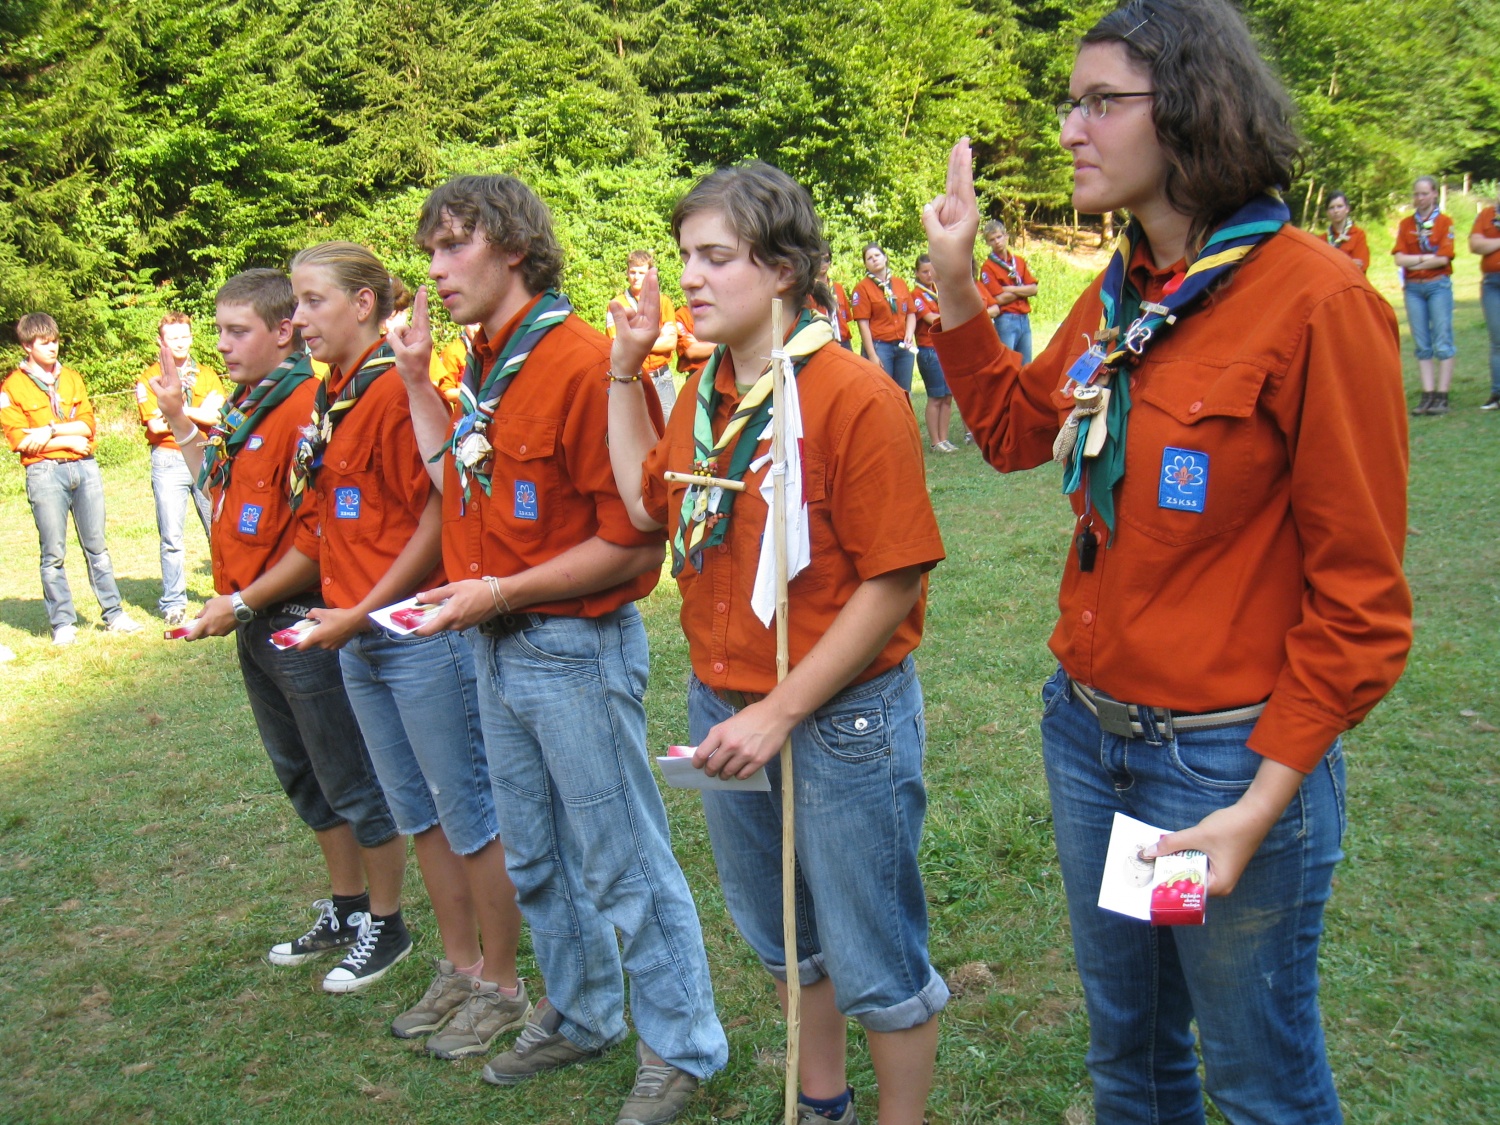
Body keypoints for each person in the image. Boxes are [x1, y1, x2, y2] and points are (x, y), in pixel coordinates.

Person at [922, 1, 1412, 1121]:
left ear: (1189, 109)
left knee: (1257, 1080)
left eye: (1102, 102)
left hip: (1218, 776)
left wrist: (1261, 800)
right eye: (1070, 102)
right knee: (1133, 1060)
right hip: (1097, 750)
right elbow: (1008, 432)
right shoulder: (1124, 294)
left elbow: (1364, 602)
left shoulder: (1317, 303)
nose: (1068, 130)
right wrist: (956, 289)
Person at [607, 162, 948, 1125]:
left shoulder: (853, 396)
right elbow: (647, 501)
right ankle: (822, 1100)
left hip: (838, 718)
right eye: (687, 258)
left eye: (716, 257)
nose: (692, 278)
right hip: (724, 707)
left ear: (785, 268)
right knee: (785, 938)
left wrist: (780, 711)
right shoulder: (703, 390)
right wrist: (625, 370)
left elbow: (893, 581)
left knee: (873, 945)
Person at [387, 174, 727, 1124]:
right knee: (536, 855)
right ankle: (581, 1010)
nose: (437, 269)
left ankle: (684, 1045)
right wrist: (416, 382)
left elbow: (635, 536)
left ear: (513, 249)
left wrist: (500, 589)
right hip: (495, 647)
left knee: (622, 860)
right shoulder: (486, 364)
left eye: (454, 247)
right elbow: (450, 478)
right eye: (430, 252)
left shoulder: (580, 361)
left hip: (573, 649)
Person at [280, 242, 528, 1053]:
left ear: (363, 306)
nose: (299, 318)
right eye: (295, 302)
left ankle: (502, 982)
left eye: (314, 300)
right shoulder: (336, 396)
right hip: (361, 638)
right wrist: (344, 619)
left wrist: (362, 613)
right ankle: (458, 969)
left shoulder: (393, 391)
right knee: (420, 813)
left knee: (468, 813)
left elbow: (438, 516)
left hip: (415, 634)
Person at [147, 269, 408, 996]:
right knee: (303, 774)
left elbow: (317, 538)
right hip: (252, 617)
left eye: (238, 331)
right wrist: (179, 426)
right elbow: (223, 496)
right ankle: (348, 907)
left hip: (298, 619)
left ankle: (386, 923)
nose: (222, 344)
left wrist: (242, 601)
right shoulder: (247, 404)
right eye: (221, 329)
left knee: (349, 773)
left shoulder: (303, 406)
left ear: (282, 331)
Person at [1, 313, 140, 644]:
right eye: (44, 343)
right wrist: (67, 439)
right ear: (27, 346)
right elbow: (19, 439)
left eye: (55, 341)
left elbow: (87, 426)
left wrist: (47, 431)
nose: (52, 348)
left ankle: (114, 614)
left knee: (97, 547)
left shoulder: (72, 379)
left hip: (84, 469)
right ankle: (63, 622)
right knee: (53, 552)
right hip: (44, 473)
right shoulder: (12, 387)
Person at [136, 312, 224, 626]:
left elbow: (219, 419)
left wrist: (177, 410)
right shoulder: (151, 378)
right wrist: (199, 410)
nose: (180, 343)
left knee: (218, 526)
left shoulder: (208, 375)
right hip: (168, 459)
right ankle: (174, 601)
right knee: (172, 535)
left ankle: (226, 591)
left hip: (203, 453)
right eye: (173, 338)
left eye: (184, 336)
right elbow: (156, 424)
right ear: (161, 341)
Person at [1394, 175, 1457, 415]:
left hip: (1437, 285)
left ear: (1434, 195)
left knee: (1442, 338)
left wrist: (1415, 261)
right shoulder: (1406, 225)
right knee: (1422, 342)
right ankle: (1427, 394)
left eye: (1424, 194)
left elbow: (1444, 258)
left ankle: (1443, 395)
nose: (1419, 198)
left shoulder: (1444, 222)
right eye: (1416, 194)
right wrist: (1424, 260)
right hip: (1413, 288)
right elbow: (1399, 258)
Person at [605, 249, 679, 416]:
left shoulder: (663, 302)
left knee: (668, 431)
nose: (636, 277)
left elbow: (671, 343)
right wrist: (658, 334)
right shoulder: (617, 305)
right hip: (633, 377)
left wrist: (637, 340)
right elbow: (620, 345)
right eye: (632, 272)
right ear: (627, 272)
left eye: (641, 272)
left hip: (662, 377)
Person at [851, 242, 916, 390]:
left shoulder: (900, 284)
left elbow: (911, 312)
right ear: (865, 265)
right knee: (884, 391)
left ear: (885, 257)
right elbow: (863, 325)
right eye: (869, 258)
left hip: (903, 346)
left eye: (877, 255)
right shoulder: (862, 288)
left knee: (904, 392)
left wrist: (909, 333)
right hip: (881, 346)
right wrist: (872, 355)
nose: (874, 259)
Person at [911, 254, 958, 452]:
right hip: (929, 349)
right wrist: (953, 316)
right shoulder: (916, 295)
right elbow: (932, 319)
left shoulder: (940, 290)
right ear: (917, 273)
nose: (929, 275)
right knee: (935, 396)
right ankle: (935, 441)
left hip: (947, 348)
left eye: (932, 271)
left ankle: (944, 438)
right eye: (924, 271)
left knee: (948, 396)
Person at [977, 220, 1039, 363]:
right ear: (987, 243)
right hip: (1006, 319)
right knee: (1008, 364)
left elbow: (1034, 289)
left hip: (1024, 318)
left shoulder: (1019, 261)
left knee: (1026, 364)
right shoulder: (988, 268)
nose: (997, 242)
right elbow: (998, 299)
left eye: (999, 237)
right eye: (992, 240)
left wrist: (1009, 288)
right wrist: (1023, 290)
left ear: (1006, 236)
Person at [1469, 188, 1500, 410]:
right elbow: (1475, 245)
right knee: (1497, 338)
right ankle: (1497, 393)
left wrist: (1492, 242)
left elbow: (1484, 244)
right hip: (1492, 283)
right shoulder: (1487, 215)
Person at [1324, 191, 1369, 273]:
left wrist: (1331, 264)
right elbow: (1320, 269)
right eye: (1331, 207)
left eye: (1340, 206)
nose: (1336, 211)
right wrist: (1350, 262)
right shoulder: (1321, 240)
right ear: (1327, 212)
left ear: (1347, 209)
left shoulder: (1358, 235)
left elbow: (1360, 267)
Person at [674, 301, 715, 385]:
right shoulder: (682, 315)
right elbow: (691, 351)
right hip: (697, 376)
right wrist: (725, 343)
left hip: (726, 371)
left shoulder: (721, 310)